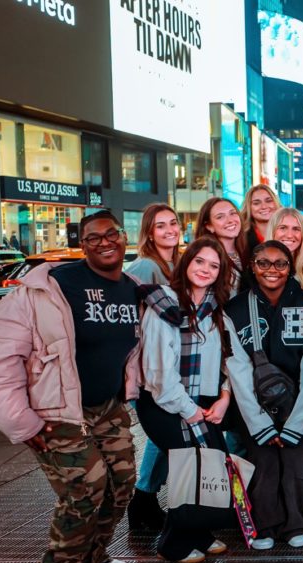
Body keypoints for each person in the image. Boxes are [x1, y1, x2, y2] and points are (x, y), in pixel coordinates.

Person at [0, 211, 141, 563]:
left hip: (107, 408)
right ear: (82, 244)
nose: (103, 242)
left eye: (110, 234)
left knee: (121, 485)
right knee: (86, 486)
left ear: (123, 237)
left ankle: (92, 557)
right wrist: (23, 423)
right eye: (92, 237)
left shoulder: (132, 287)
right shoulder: (48, 287)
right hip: (57, 412)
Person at [137, 237, 238, 563]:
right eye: (200, 261)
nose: (205, 270)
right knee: (190, 467)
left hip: (204, 402)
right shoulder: (164, 304)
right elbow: (158, 374)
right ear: (186, 262)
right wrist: (190, 410)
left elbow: (228, 359)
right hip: (163, 404)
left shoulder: (215, 308)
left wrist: (224, 397)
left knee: (215, 467)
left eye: (214, 265)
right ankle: (173, 543)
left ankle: (199, 532)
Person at [226, 241, 303, 549]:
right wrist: (260, 424)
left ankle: (297, 521)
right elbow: (237, 371)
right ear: (252, 267)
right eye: (263, 263)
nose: (272, 270)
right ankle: (265, 525)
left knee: (297, 462)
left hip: (298, 406)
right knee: (263, 463)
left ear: (290, 267)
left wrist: (298, 422)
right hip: (254, 408)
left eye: (280, 263)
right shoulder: (235, 309)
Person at [126, 203, 182, 532]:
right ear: (149, 232)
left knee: (163, 437)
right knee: (161, 437)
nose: (169, 230)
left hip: (171, 367)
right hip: (151, 369)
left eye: (173, 223)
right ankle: (142, 500)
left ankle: (146, 501)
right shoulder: (146, 266)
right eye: (160, 226)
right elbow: (133, 318)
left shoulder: (175, 264)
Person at [195, 197, 246, 294]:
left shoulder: (247, 251)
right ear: (209, 226)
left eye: (233, 213)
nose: (230, 220)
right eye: (220, 217)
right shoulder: (205, 259)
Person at [242, 184, 280, 255]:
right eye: (256, 203)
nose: (264, 206)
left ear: (276, 203)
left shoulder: (289, 232)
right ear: (249, 208)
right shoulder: (241, 238)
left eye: (268, 201)